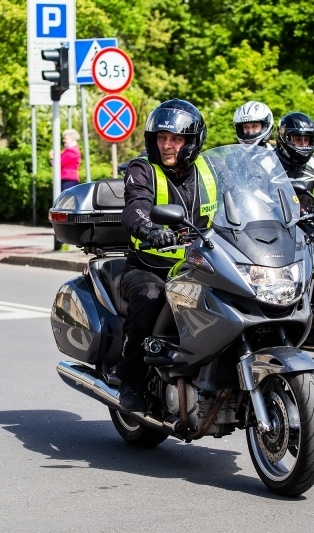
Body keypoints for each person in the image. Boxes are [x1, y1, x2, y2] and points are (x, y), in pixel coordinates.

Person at [117, 99, 217, 412]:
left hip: (200, 267)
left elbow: (238, 203)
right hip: (150, 267)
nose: (167, 145)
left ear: (192, 141)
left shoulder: (209, 170)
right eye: (161, 138)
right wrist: (148, 228)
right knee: (150, 299)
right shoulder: (143, 169)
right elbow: (135, 205)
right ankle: (130, 380)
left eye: (175, 139)